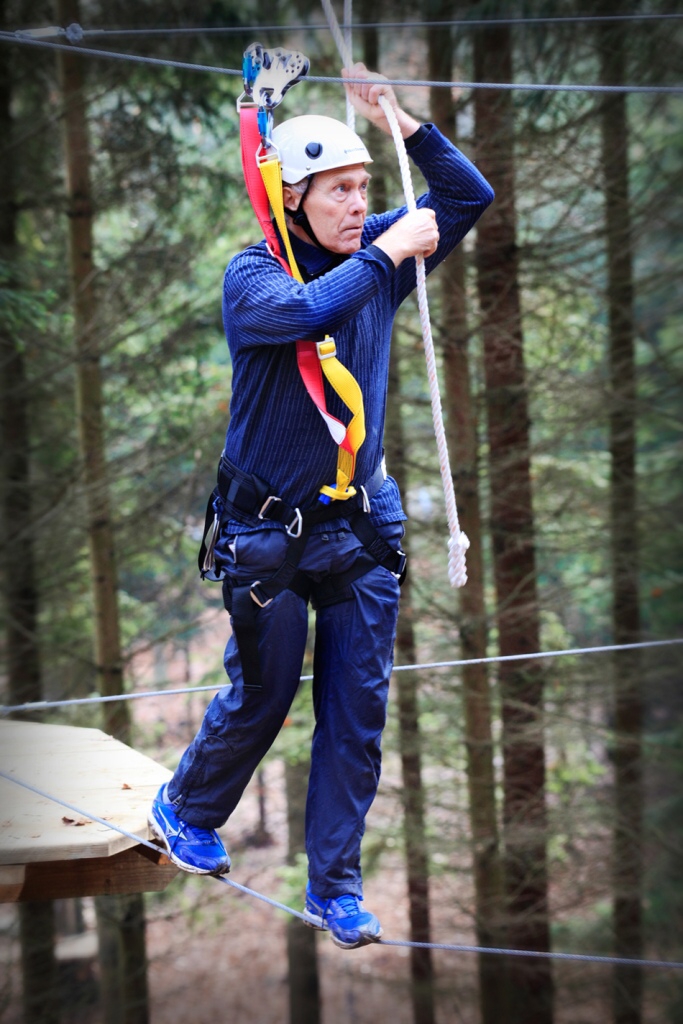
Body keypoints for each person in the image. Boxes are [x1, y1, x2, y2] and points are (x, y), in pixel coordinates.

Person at [149, 63, 494, 949]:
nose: (356, 203)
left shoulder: (374, 255)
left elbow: (465, 195)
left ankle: (333, 888)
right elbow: (306, 314)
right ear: (292, 199)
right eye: (337, 190)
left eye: (363, 189)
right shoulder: (254, 278)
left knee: (355, 715)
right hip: (267, 535)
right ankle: (188, 807)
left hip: (357, 531)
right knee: (263, 696)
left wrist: (398, 122)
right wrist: (386, 251)